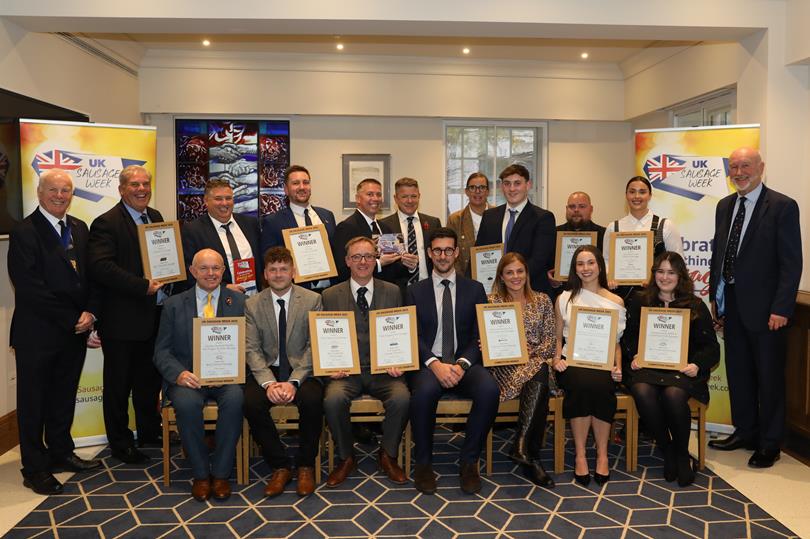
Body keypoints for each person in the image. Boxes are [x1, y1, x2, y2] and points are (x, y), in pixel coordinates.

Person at [8, 169, 101, 495]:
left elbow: (89, 277)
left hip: (74, 330)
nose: (60, 196)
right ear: (40, 192)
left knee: (63, 397)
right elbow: (30, 287)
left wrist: (90, 312)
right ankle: (34, 467)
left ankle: (61, 452)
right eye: (54, 190)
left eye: (65, 190)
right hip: (39, 333)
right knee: (34, 403)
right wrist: (72, 316)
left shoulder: (79, 227)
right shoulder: (25, 232)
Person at [708, 147, 802, 468]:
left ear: (761, 167)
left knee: (769, 377)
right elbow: (719, 254)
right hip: (731, 306)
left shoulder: (782, 207)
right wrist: (715, 301)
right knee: (739, 373)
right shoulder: (724, 206)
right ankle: (745, 431)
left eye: (745, 166)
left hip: (768, 312)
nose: (739, 172)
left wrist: (782, 308)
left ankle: (770, 442)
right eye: (733, 167)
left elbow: (791, 264)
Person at [406, 227, 500, 495]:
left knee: (489, 389)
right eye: (438, 250)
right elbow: (413, 334)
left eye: (448, 250)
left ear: (457, 253)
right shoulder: (415, 291)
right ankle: (423, 463)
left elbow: (478, 334)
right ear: (429, 253)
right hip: (429, 365)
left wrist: (462, 364)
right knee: (423, 392)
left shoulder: (474, 289)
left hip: (464, 364)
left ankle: (469, 461)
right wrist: (434, 364)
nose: (443, 255)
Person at [153, 249, 246, 501]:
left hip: (226, 378)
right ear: (193, 271)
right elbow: (161, 351)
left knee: (236, 399)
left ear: (223, 271)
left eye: (216, 268)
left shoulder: (238, 302)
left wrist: (235, 368)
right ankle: (201, 474)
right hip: (188, 378)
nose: (211, 273)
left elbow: (248, 344)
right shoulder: (173, 304)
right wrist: (180, 374)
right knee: (185, 403)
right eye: (204, 268)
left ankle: (222, 474)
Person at [88, 165, 166, 464]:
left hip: (153, 317)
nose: (141, 189)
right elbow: (101, 267)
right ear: (122, 189)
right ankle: (121, 444)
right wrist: (142, 286)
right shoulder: (106, 223)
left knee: (148, 381)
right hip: (122, 320)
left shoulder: (155, 218)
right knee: (119, 386)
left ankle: (148, 431)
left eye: (146, 183)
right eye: (134, 184)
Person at [622, 252, 719, 485]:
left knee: (673, 395)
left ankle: (682, 454)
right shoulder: (640, 300)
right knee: (642, 390)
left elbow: (711, 347)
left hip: (681, 369)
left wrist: (696, 365)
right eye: (660, 271)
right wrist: (634, 355)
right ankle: (668, 451)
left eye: (671, 272)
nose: (664, 277)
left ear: (680, 276)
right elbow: (628, 338)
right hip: (648, 367)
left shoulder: (695, 305)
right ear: (654, 273)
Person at [321, 236, 410, 487]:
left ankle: (388, 454)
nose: (363, 262)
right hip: (346, 373)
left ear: (376, 259)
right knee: (333, 399)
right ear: (347, 261)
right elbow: (322, 337)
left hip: (383, 371)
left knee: (402, 397)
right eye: (357, 257)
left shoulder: (393, 291)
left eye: (369, 256)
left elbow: (400, 331)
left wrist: (400, 360)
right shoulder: (329, 295)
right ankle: (346, 456)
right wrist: (329, 367)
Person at [244, 247, 324, 496]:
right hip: (267, 370)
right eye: (273, 270)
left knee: (312, 400)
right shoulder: (253, 304)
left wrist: (294, 381)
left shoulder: (312, 299)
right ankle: (280, 465)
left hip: (303, 370)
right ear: (265, 274)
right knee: (249, 402)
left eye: (284, 269)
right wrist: (269, 383)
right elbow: (251, 349)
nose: (279, 274)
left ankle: (305, 465)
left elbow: (314, 345)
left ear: (294, 272)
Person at [552, 245, 625, 486]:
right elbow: (557, 336)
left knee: (601, 386)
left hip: (603, 364)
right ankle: (581, 454)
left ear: (600, 266)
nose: (586, 268)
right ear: (574, 269)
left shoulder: (615, 300)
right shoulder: (564, 298)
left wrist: (617, 367)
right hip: (572, 362)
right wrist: (556, 360)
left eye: (590, 263)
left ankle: (602, 454)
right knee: (583, 384)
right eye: (580, 264)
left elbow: (615, 342)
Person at [487, 252, 555, 488]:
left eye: (520, 271)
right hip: (505, 368)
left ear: (526, 274)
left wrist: (529, 351)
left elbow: (550, 344)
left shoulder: (543, 300)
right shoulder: (492, 302)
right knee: (540, 377)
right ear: (501, 277)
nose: (515, 276)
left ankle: (522, 445)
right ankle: (530, 455)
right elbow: (487, 342)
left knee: (539, 370)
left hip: (536, 362)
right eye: (509, 272)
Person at [476, 164, 556, 294]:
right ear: (502, 187)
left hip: (529, 293)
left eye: (517, 183)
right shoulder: (489, 216)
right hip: (494, 291)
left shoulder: (543, 218)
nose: (512, 189)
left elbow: (538, 260)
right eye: (507, 184)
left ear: (528, 185)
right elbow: (479, 253)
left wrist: (508, 279)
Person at [260, 165, 337, 292]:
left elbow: (335, 251)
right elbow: (268, 260)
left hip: (330, 291)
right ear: (286, 189)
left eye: (306, 182)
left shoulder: (327, 215)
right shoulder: (273, 222)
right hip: (296, 293)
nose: (302, 187)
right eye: (295, 183)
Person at [603, 176, 683, 296]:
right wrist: (609, 277)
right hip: (620, 295)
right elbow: (607, 260)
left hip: (656, 295)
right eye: (632, 192)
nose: (636, 196)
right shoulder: (613, 227)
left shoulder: (665, 225)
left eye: (642, 192)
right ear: (626, 195)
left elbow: (678, 262)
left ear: (650, 195)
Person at [181, 179, 262, 295]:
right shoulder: (193, 230)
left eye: (228, 198)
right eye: (218, 199)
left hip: (254, 298)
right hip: (219, 300)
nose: (224, 203)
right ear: (206, 201)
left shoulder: (250, 224)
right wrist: (223, 287)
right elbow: (189, 271)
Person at [379, 177, 442, 297]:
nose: (409, 201)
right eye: (404, 197)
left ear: (419, 196)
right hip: (397, 291)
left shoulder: (433, 223)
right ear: (396, 198)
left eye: (413, 196)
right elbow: (386, 265)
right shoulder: (385, 226)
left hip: (429, 289)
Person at [332, 178, 400, 284]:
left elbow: (392, 268)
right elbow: (341, 268)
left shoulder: (385, 228)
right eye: (370, 194)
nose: (375, 198)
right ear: (358, 199)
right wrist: (378, 263)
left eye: (378, 195)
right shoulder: (346, 227)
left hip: (385, 291)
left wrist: (408, 265)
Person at [548, 191, 606, 299]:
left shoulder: (603, 234)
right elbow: (547, 264)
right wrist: (550, 277)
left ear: (591, 209)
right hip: (561, 294)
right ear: (566, 209)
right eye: (572, 206)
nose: (576, 210)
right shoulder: (554, 233)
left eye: (582, 206)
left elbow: (607, 267)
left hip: (594, 296)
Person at [447, 172, 493, 277]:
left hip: (496, 279)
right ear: (466, 192)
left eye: (482, 187)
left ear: (487, 192)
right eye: (472, 187)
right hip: (464, 279)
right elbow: (451, 253)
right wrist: (463, 281)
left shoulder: (499, 215)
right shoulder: (455, 220)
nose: (477, 192)